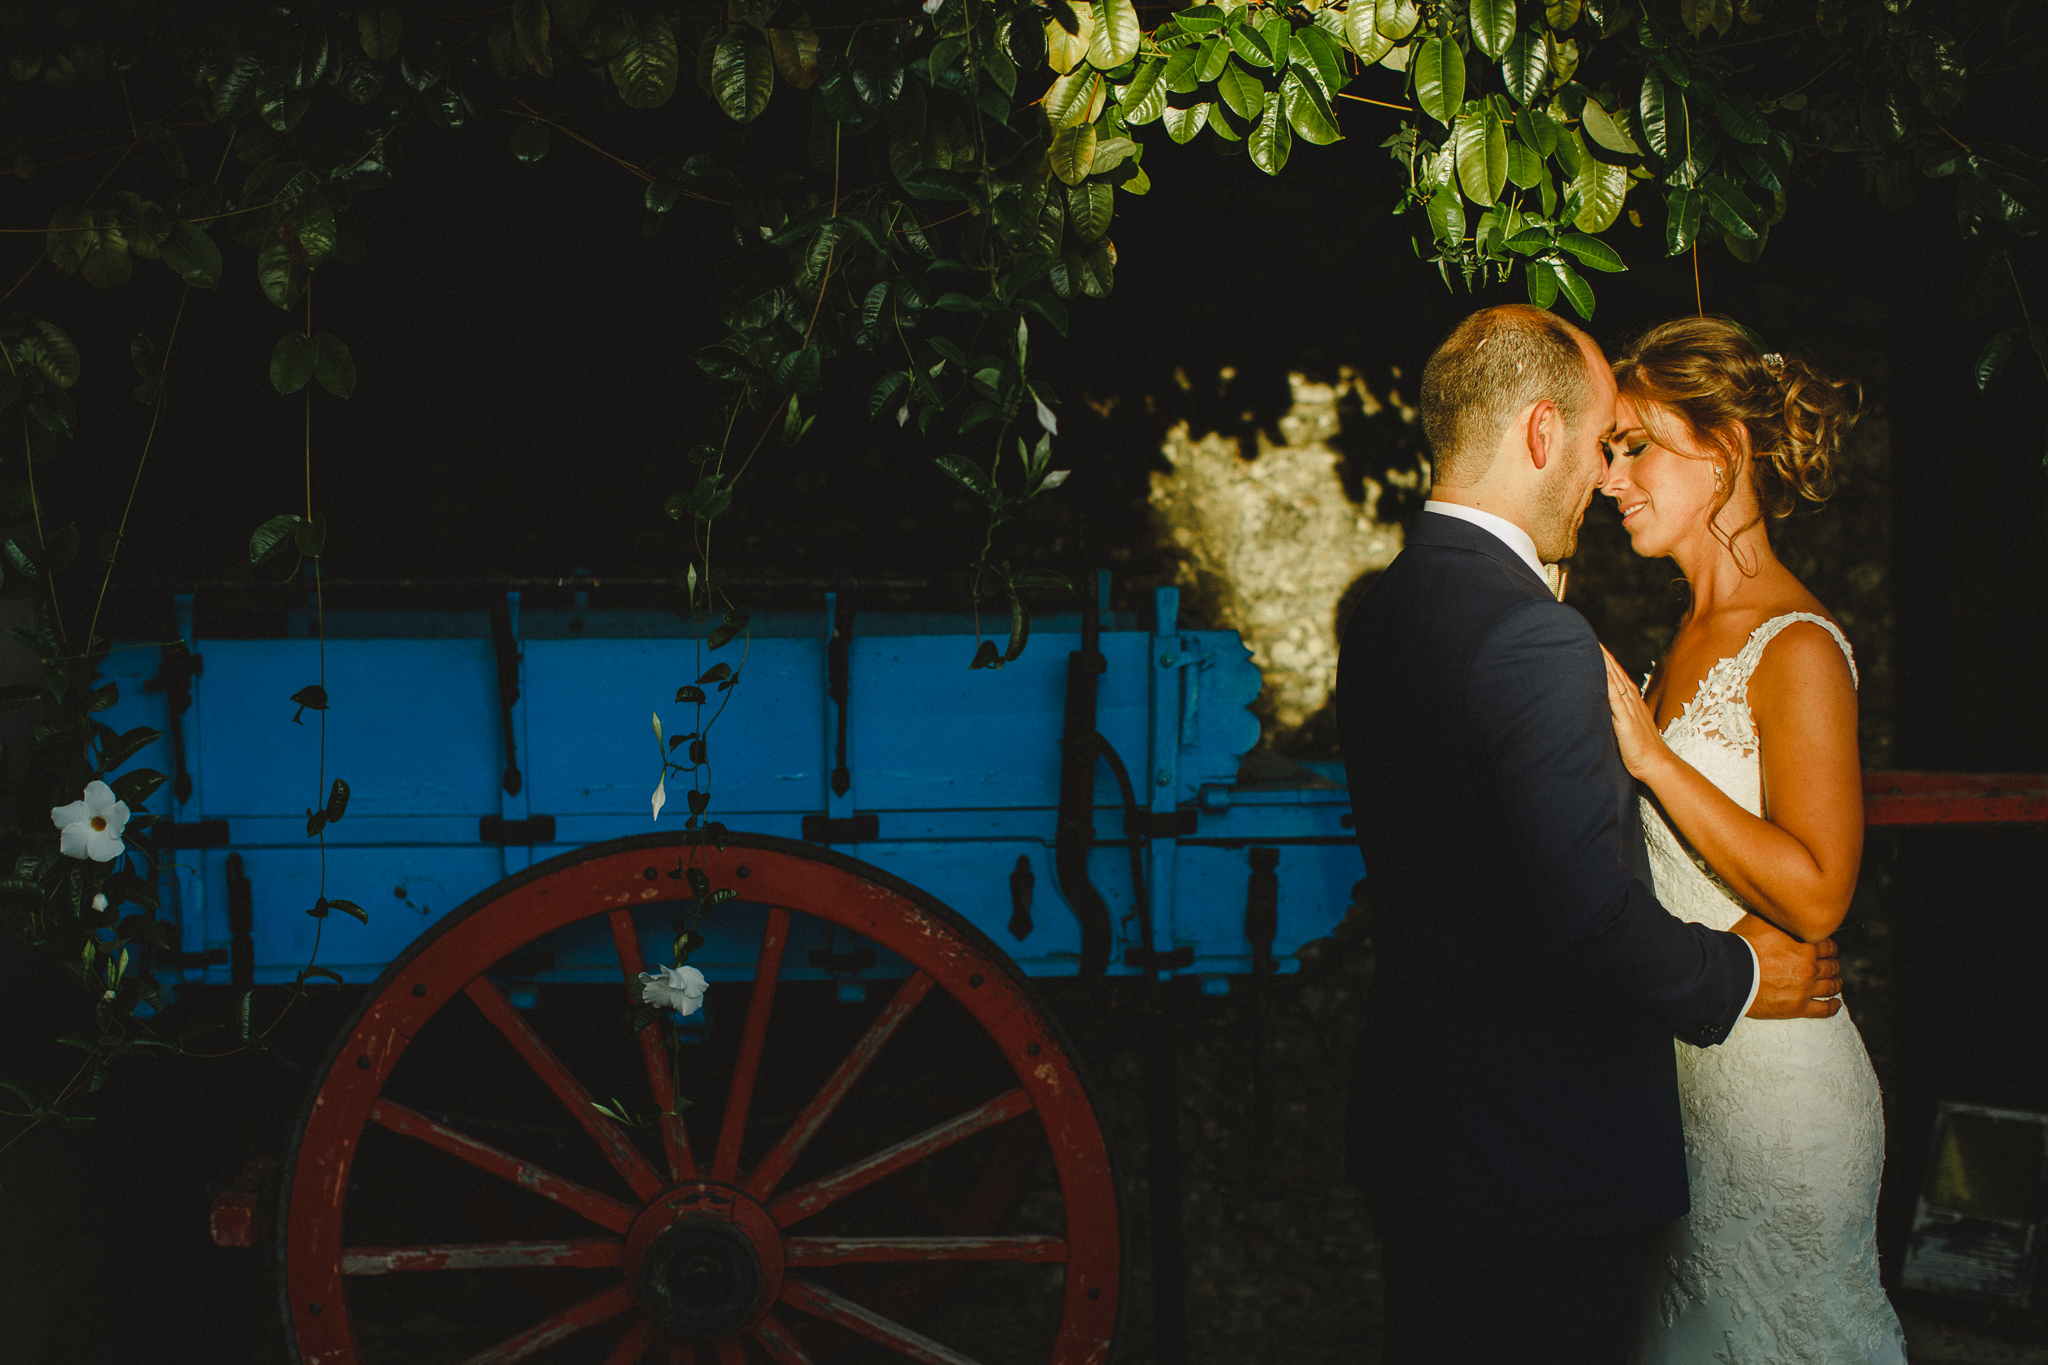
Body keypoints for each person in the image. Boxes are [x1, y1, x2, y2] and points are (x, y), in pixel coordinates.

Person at [1336, 304, 1844, 1365]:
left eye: (1635, 447)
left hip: (1449, 1124)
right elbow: (1578, 913)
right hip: (1545, 1148)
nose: (1607, 479)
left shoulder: (1390, 607)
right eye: (1602, 443)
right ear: (1538, 435)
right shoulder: (1532, 631)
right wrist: (1739, 976)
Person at [1597, 316, 1908, 1363]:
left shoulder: (1797, 645)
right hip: (1686, 1090)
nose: (1610, 479)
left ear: (1723, 447)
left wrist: (1648, 757)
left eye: (1633, 444)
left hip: (1781, 1108)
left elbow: (1818, 895)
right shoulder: (1669, 645)